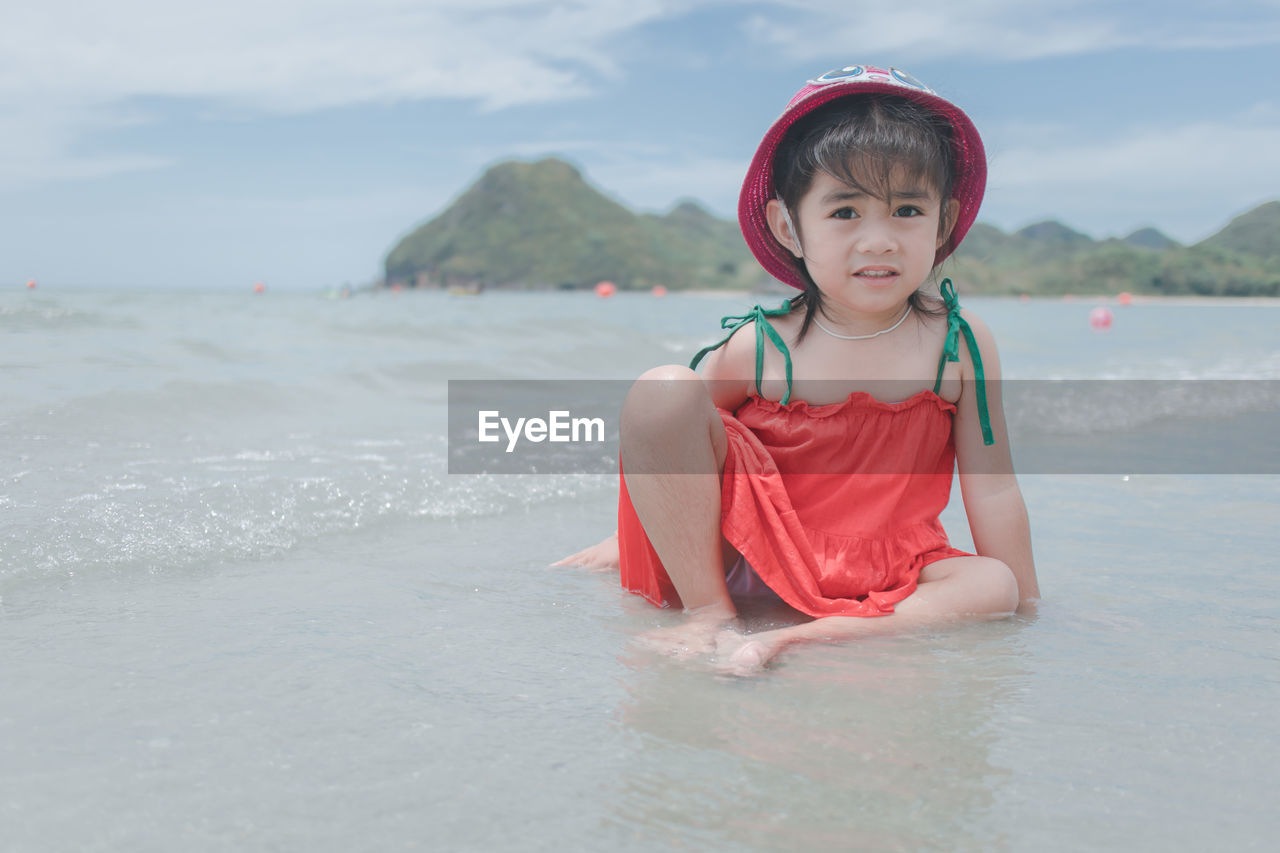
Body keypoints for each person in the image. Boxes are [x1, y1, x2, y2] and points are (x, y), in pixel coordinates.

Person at [556, 64, 1038, 673]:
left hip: (892, 566)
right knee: (664, 389)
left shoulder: (959, 344)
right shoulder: (763, 347)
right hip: (758, 553)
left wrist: (1029, 605)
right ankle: (709, 613)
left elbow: (993, 487)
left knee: (993, 585)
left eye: (907, 210)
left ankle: (816, 635)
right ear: (790, 227)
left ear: (942, 222)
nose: (879, 240)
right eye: (845, 213)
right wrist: (632, 540)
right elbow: (669, 442)